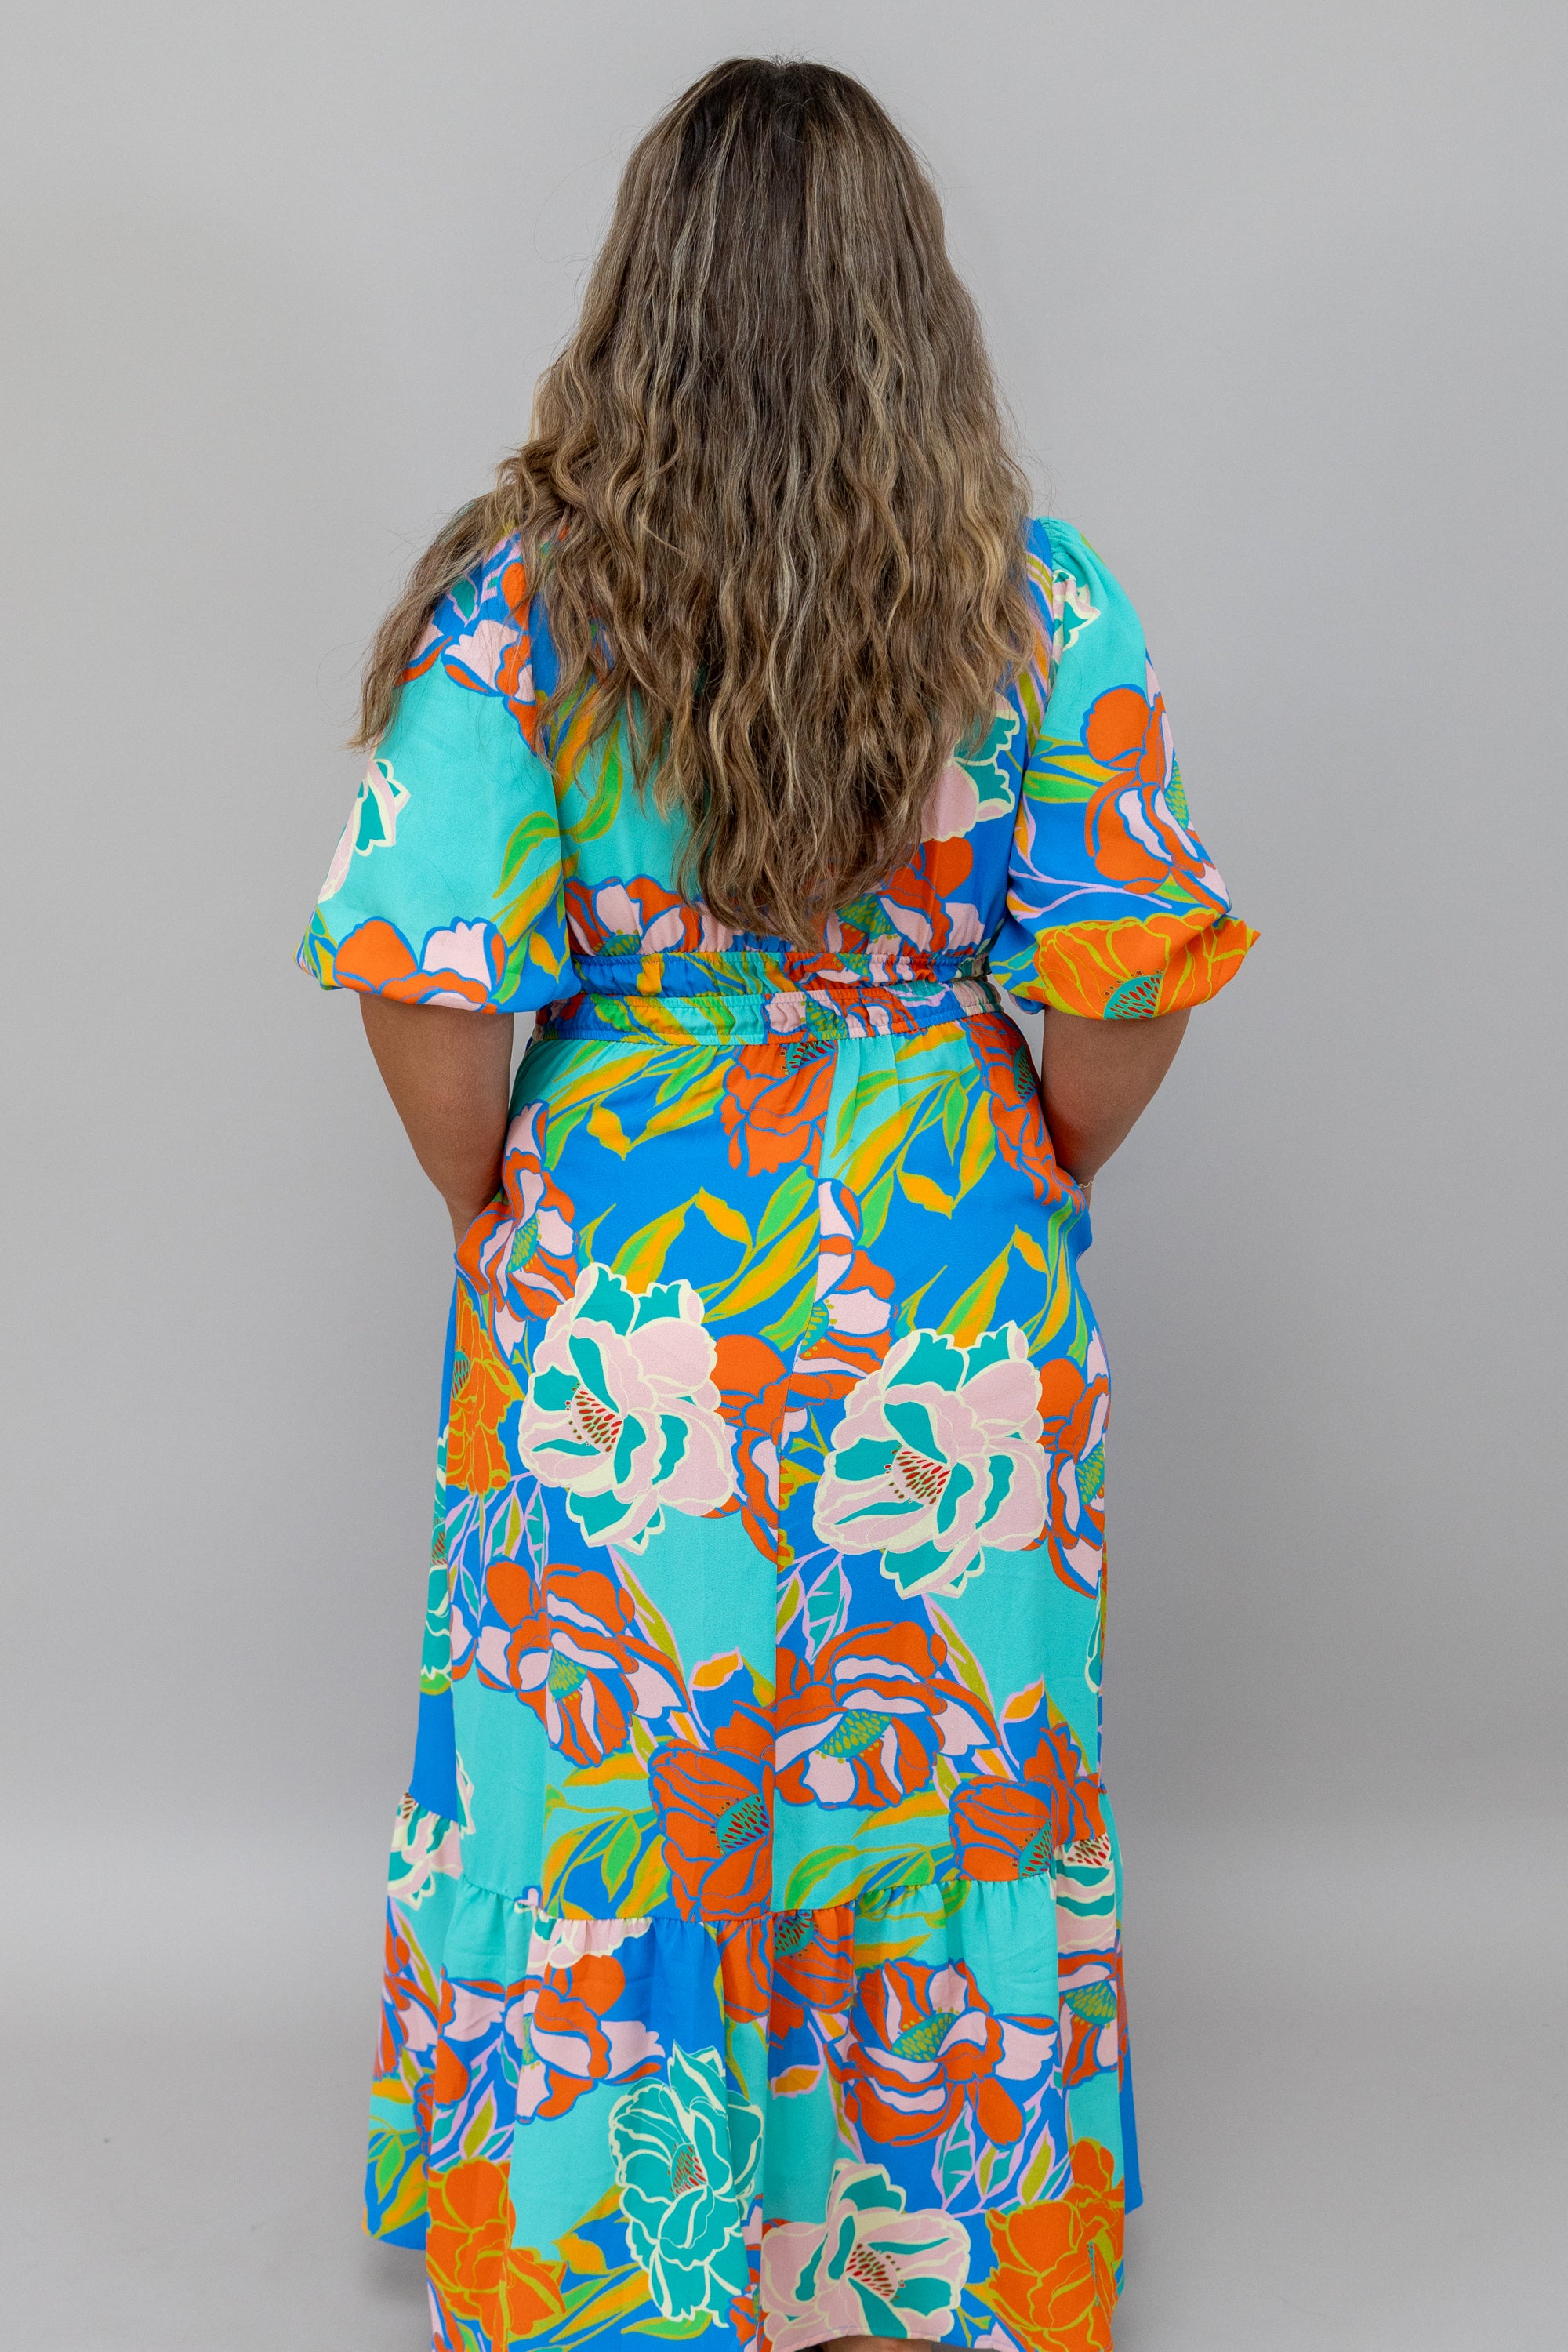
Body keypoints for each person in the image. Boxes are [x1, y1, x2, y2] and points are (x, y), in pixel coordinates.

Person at [299, 55, 1254, 2352]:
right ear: (915, 304)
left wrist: (514, 1206)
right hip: (949, 1285)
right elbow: (1124, 992)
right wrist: (1005, 1165)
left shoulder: (519, 612)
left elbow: (427, 980)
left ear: (639, 293)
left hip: (622, 1284)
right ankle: (932, 2266)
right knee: (945, 1777)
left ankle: (608, 2254)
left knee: (614, 1777)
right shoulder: (1039, 609)